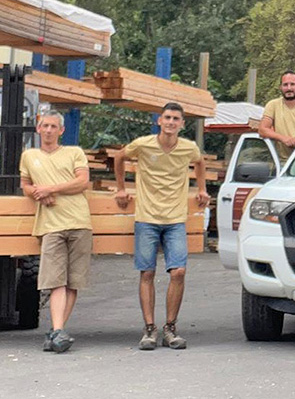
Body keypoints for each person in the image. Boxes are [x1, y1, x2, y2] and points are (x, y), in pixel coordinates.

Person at [112, 102, 210, 350]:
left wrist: (202, 189)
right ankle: (149, 329)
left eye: (176, 119)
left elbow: (199, 163)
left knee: (178, 272)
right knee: (147, 273)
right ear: (159, 120)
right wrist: (122, 188)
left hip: (175, 219)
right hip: (147, 217)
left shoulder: (188, 147)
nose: (170, 122)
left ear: (182, 124)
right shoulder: (144, 144)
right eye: (167, 117)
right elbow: (119, 157)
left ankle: (170, 327)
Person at [20, 111, 91, 354]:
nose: (49, 130)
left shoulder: (75, 153)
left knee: (73, 282)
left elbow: (83, 181)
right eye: (45, 126)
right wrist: (38, 193)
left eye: (54, 126)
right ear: (38, 129)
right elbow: (26, 185)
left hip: (79, 221)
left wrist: (52, 188)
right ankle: (58, 331)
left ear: (61, 131)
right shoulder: (29, 156)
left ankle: (57, 330)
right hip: (50, 226)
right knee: (55, 280)